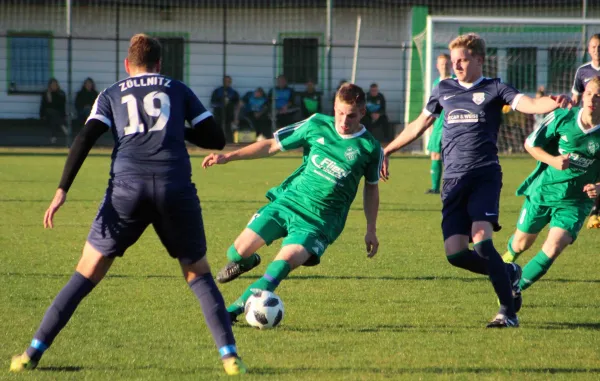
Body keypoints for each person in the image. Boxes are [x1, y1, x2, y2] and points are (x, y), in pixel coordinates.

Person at [10, 34, 247, 376]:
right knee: (197, 271)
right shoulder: (177, 88)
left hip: (127, 190)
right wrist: (175, 129)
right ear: (159, 64)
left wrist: (62, 189)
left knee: (87, 271)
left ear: (127, 64)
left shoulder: (111, 94)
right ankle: (229, 357)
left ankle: (32, 353)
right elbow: (216, 139)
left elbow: (86, 137)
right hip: (174, 187)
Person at [380, 33, 570, 328]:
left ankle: (507, 312)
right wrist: (388, 149)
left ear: (479, 59)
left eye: (463, 59)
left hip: (484, 175)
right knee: (455, 254)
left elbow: (528, 103)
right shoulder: (443, 89)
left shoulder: (495, 87)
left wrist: (553, 102)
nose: (456, 65)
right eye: (454, 60)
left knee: (482, 243)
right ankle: (509, 273)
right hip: (453, 180)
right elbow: (420, 123)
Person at [202, 83, 382, 323]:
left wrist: (371, 229)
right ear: (334, 107)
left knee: (283, 262)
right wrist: (228, 156)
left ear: (362, 113)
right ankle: (248, 261)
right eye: (339, 112)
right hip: (289, 201)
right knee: (236, 252)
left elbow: (371, 188)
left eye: (351, 115)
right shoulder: (316, 124)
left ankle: (231, 312)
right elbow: (271, 145)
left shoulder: (369, 147)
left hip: (319, 221)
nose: (343, 120)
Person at [501, 77, 600, 293]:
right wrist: (553, 160)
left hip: (575, 201)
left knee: (554, 246)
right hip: (544, 191)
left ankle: (512, 291)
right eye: (590, 93)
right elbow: (530, 144)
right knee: (520, 244)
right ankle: (507, 260)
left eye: (599, 95)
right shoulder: (562, 117)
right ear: (583, 96)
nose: (593, 98)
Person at [572, 34, 600, 228]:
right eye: (593, 46)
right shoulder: (582, 71)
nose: (596, 50)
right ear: (588, 49)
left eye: (599, 46)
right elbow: (575, 98)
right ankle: (591, 209)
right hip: (589, 127)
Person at [425, 54, 453, 194]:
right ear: (437, 66)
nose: (444, 66)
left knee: (450, 156)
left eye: (447, 64)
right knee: (435, 154)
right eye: (442, 64)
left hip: (450, 123)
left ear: (451, 65)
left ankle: (451, 186)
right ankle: (435, 188)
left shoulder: (455, 81)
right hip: (437, 123)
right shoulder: (436, 82)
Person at [211, 75, 240, 144]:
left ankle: (230, 143)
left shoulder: (233, 92)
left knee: (229, 130)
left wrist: (229, 104)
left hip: (229, 115)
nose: (227, 83)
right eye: (226, 81)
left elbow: (237, 104)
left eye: (229, 81)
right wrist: (221, 104)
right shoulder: (217, 91)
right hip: (219, 114)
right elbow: (212, 103)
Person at [40, 78, 67, 144]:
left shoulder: (61, 93)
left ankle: (53, 137)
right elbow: (44, 106)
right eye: (52, 85)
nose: (54, 86)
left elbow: (60, 105)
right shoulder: (46, 93)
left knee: (54, 119)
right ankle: (62, 125)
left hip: (58, 114)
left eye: (55, 85)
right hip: (48, 114)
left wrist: (51, 100)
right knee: (50, 111)